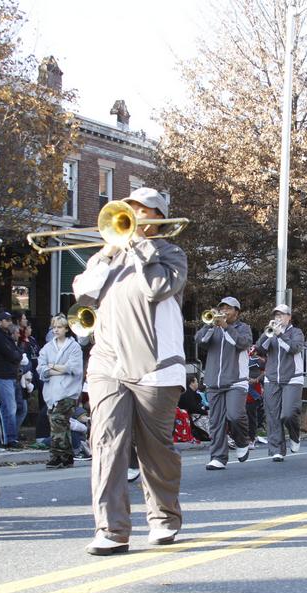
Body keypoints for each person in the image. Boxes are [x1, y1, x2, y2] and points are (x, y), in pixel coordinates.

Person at [72, 187, 187, 555]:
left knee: (156, 451)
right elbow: (83, 294)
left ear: (159, 219)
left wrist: (140, 249)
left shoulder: (171, 254)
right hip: (108, 364)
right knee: (106, 444)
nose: (135, 216)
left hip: (156, 367)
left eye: (144, 211)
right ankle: (112, 528)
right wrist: (107, 252)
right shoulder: (108, 257)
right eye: (130, 210)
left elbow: (157, 288)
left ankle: (164, 517)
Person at [195, 296, 253, 470]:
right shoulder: (214, 327)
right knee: (216, 422)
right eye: (222, 308)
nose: (224, 311)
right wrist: (209, 325)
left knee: (235, 416)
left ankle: (242, 441)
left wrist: (226, 327)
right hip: (214, 381)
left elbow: (243, 343)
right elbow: (199, 340)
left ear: (237, 312)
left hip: (236, 380)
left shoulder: (243, 328)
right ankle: (218, 457)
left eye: (229, 308)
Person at [256, 304, 306, 461]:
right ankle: (276, 449)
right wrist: (268, 334)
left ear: (289, 317)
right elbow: (260, 348)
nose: (279, 318)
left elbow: (294, 348)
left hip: (292, 377)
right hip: (271, 378)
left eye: (282, 315)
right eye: (276, 315)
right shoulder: (271, 332)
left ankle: (294, 434)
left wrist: (280, 335)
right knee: (272, 415)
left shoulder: (296, 332)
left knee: (289, 413)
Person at [38, 314, 84, 469]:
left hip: (68, 390)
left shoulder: (74, 347)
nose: (56, 330)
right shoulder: (47, 347)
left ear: (66, 329)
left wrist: (52, 366)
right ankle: (67, 456)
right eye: (54, 327)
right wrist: (59, 369)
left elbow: (74, 368)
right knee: (59, 422)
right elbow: (41, 368)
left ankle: (57, 455)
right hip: (51, 391)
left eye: (59, 327)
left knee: (58, 419)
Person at [0, 310, 21, 447]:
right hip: (3, 376)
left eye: (10, 320)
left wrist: (17, 354)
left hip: (9, 375)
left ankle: (3, 437)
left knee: (6, 408)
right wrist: (17, 355)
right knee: (9, 408)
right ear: (0, 322)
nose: (9, 323)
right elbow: (12, 354)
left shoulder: (7, 336)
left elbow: (16, 353)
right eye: (6, 320)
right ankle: (9, 438)